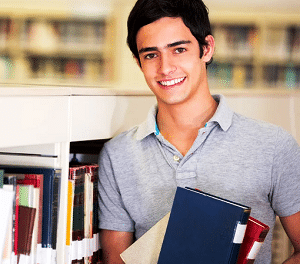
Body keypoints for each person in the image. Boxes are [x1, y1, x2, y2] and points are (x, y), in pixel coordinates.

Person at [98, 0, 300, 263]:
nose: (165, 67)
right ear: (138, 62)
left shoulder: (275, 146)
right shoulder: (118, 155)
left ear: (206, 49)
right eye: (150, 55)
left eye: (178, 49)